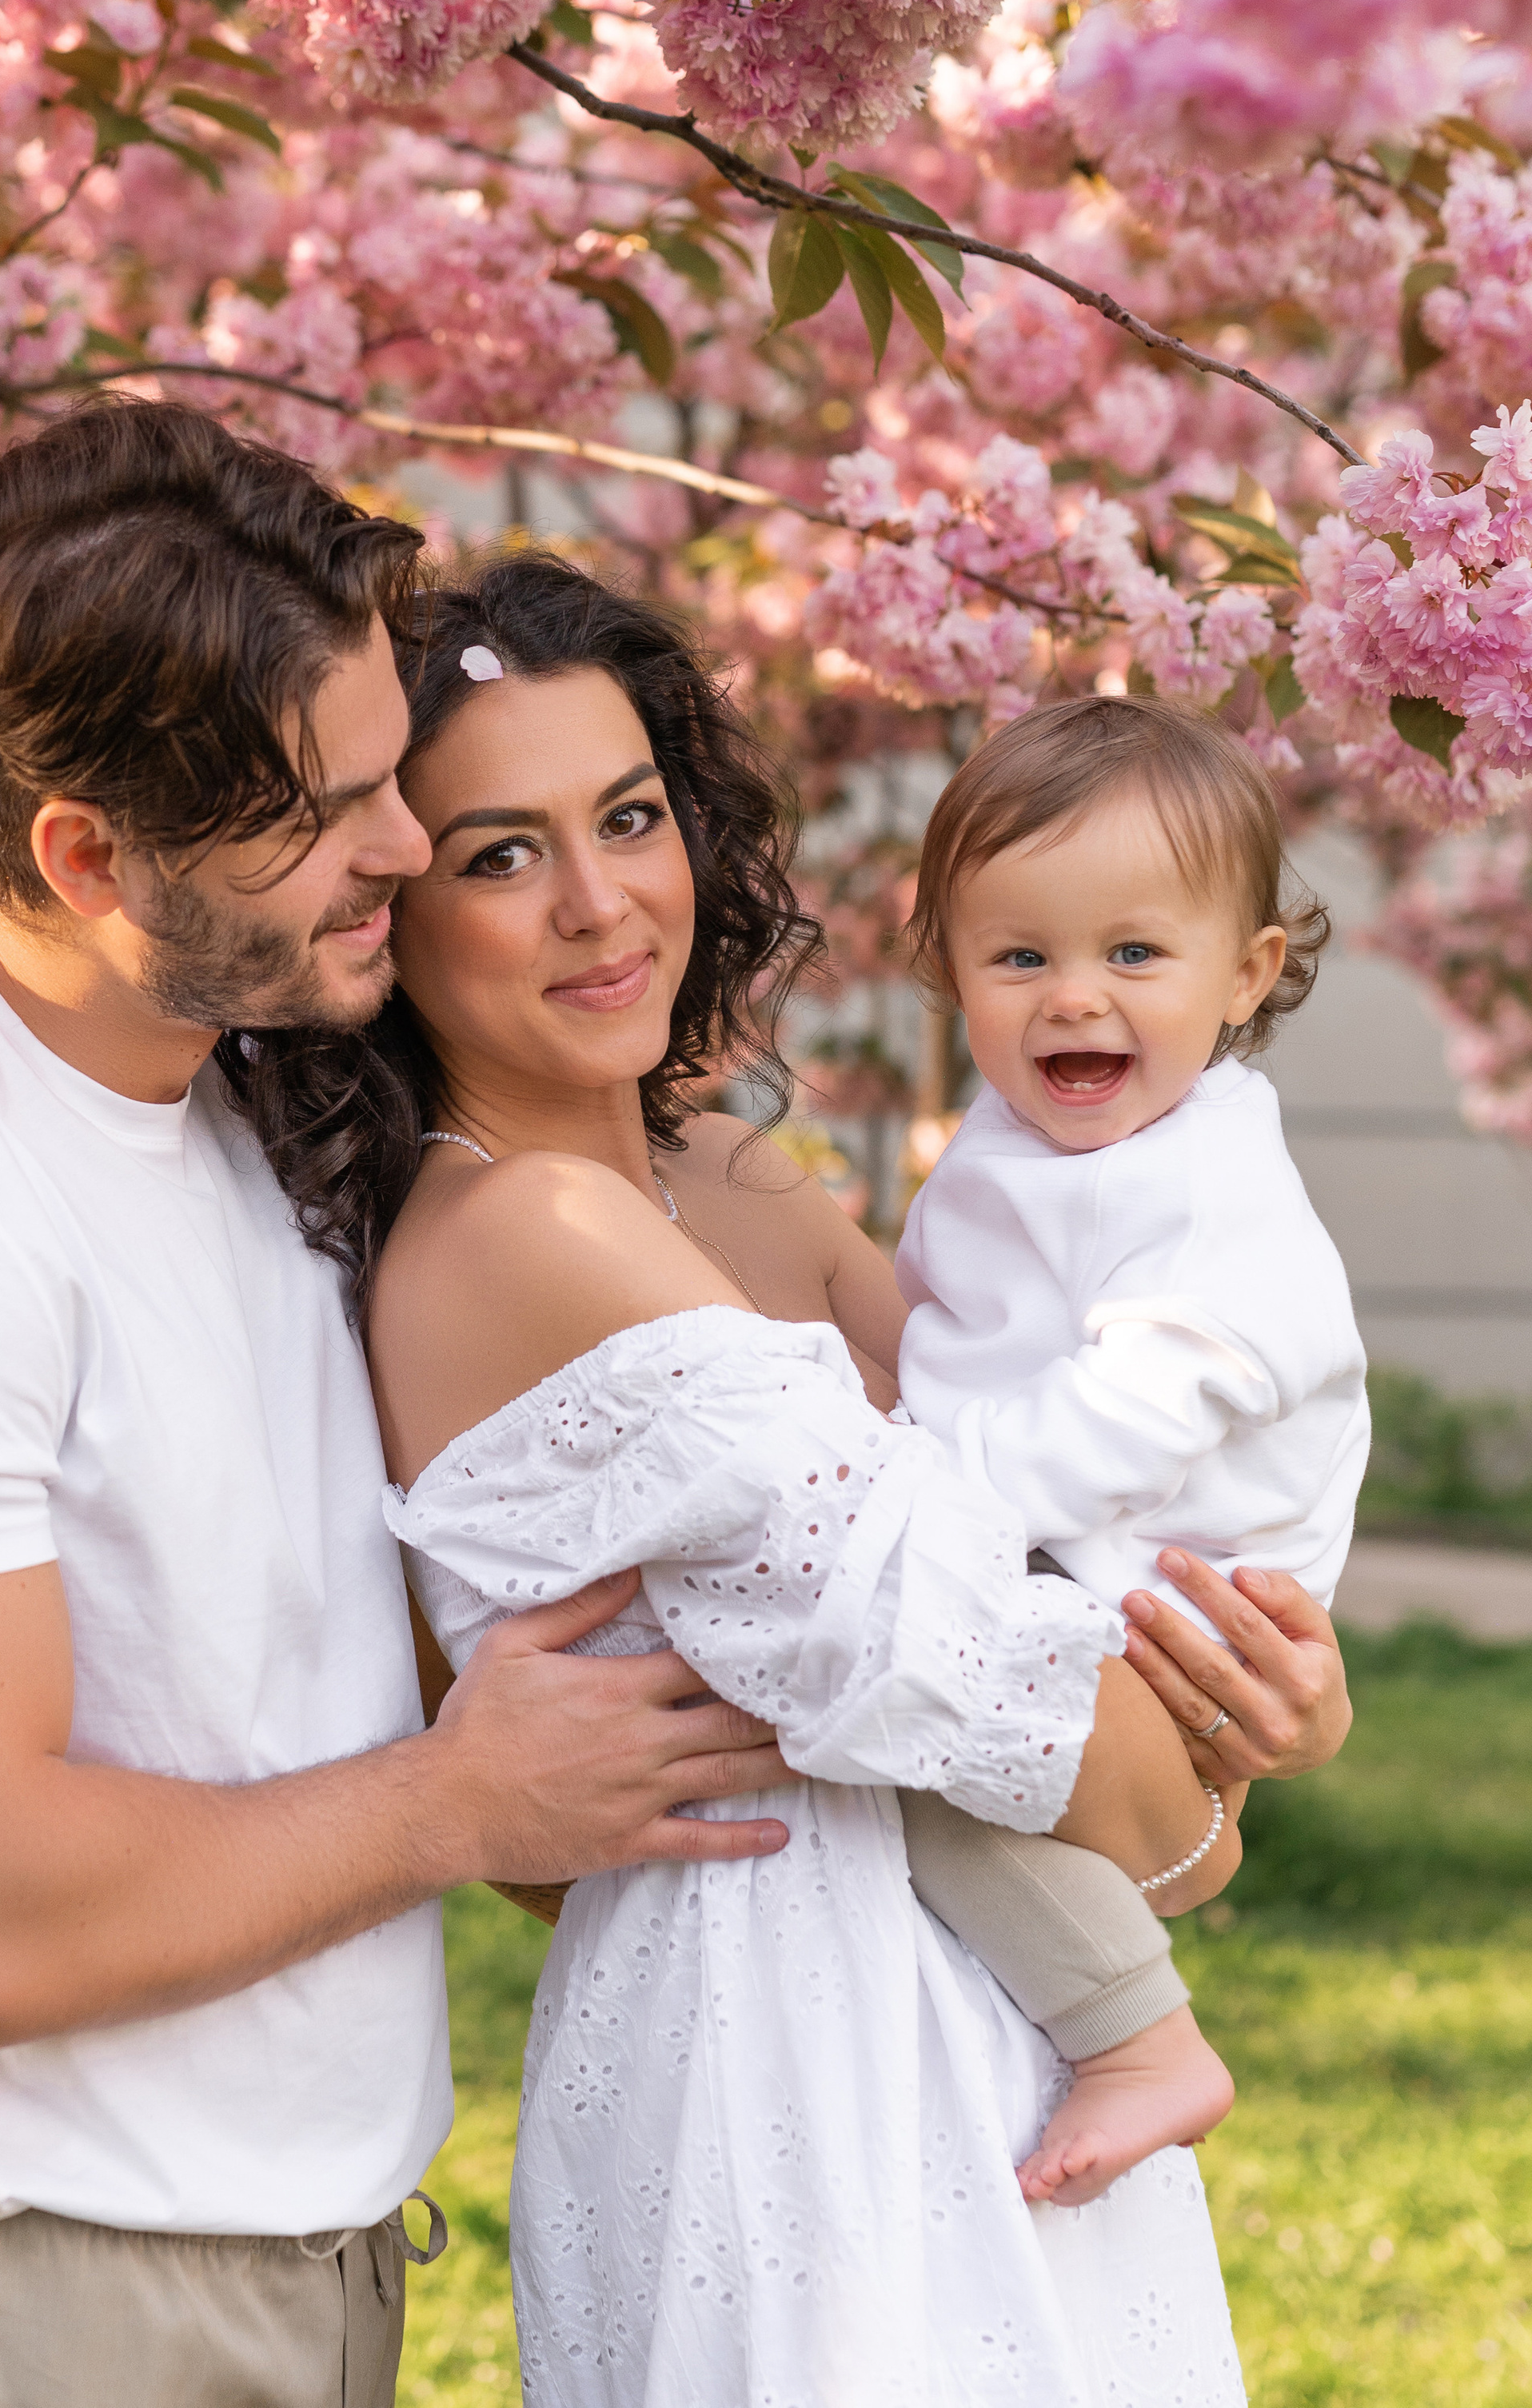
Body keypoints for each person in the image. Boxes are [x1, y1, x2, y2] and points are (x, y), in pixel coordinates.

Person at [0, 402, 798, 2408]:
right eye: (329, 809)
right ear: (87, 855)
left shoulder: (251, 1094)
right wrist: (452, 1797)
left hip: (297, 2279)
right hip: (28, 2313)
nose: (405, 847)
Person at [230, 553, 1356, 2408]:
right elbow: (1014, 1695)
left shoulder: (731, 1184)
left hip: (1005, 2017)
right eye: (499, 852)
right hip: (789, 2054)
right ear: (389, 901)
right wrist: (1199, 1786)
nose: (600, 904)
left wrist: (1254, 1702)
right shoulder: (528, 1232)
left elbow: (1052, 1589)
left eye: (628, 817)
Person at [889, 696, 1371, 2209]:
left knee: (899, 1751)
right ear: (950, 971)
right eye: (1018, 957)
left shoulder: (1213, 1183)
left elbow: (1136, 1413)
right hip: (1061, 1543)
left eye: (1134, 955)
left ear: (1248, 976)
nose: (1072, 998)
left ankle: (1140, 2034)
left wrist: (919, 1495)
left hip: (1174, 1586)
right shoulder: (1029, 1146)